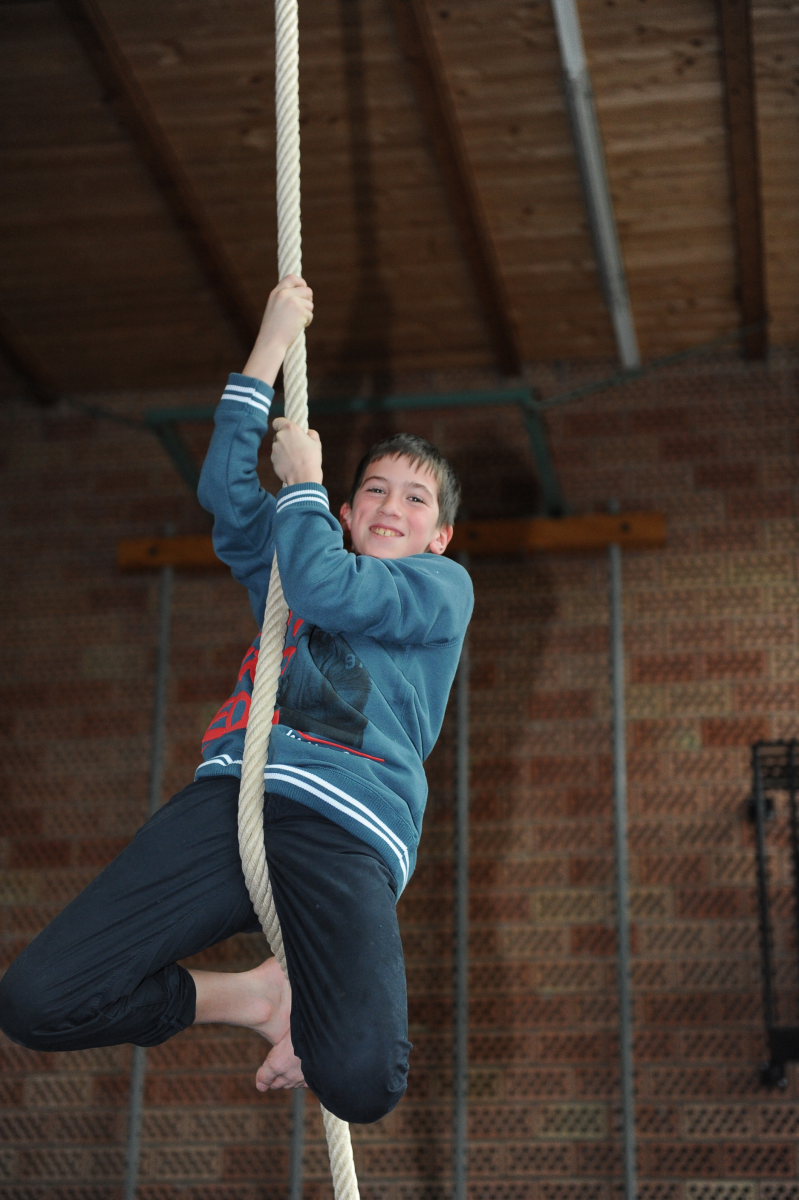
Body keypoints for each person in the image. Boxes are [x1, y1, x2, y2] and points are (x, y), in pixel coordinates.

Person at [0, 276, 474, 1125]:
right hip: (236, 799)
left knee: (362, 1082)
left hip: (344, 827)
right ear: (345, 511)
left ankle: (293, 1008)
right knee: (37, 1001)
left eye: (415, 499)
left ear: (439, 535)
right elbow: (226, 491)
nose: (390, 506)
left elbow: (331, 592)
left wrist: (303, 485)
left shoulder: (440, 589)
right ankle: (248, 997)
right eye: (373, 490)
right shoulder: (300, 551)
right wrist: (267, 350)